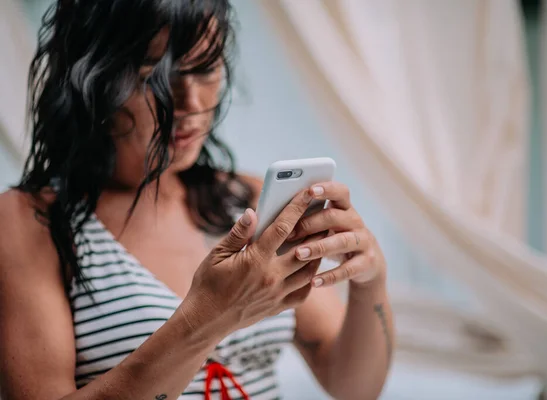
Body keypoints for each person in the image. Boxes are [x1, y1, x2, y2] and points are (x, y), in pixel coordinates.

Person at [0, 0, 394, 399]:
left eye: (205, 69)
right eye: (156, 78)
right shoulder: (28, 222)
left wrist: (370, 279)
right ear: (94, 76)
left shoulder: (243, 199)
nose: (189, 104)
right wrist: (210, 317)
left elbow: (353, 389)